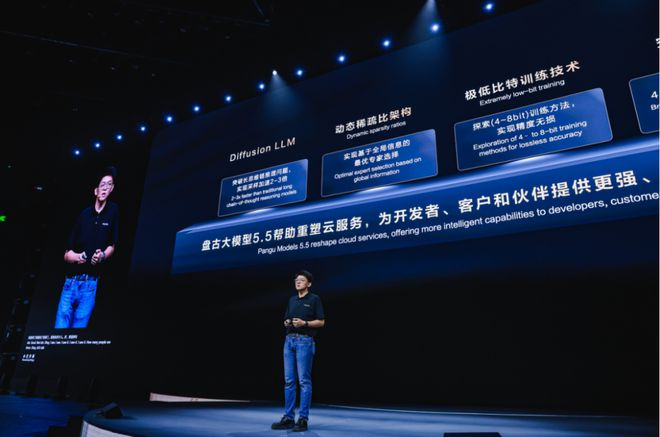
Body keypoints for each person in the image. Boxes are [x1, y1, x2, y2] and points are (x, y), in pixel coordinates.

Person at [54, 167, 118, 329]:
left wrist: (102, 256)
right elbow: (66, 254)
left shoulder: (113, 211)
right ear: (96, 190)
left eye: (109, 184)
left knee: (79, 332)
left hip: (90, 285)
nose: (105, 188)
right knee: (60, 329)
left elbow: (112, 245)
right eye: (102, 184)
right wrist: (78, 257)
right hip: (70, 282)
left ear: (112, 189)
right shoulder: (84, 215)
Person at [271, 270, 325, 432]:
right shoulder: (292, 300)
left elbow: (321, 322)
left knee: (304, 381)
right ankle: (288, 418)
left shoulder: (314, 299)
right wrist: (287, 322)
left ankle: (302, 419)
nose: (298, 282)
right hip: (289, 341)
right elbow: (286, 319)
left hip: (304, 342)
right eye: (296, 280)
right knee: (289, 381)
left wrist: (304, 323)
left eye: (301, 280)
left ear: (309, 283)